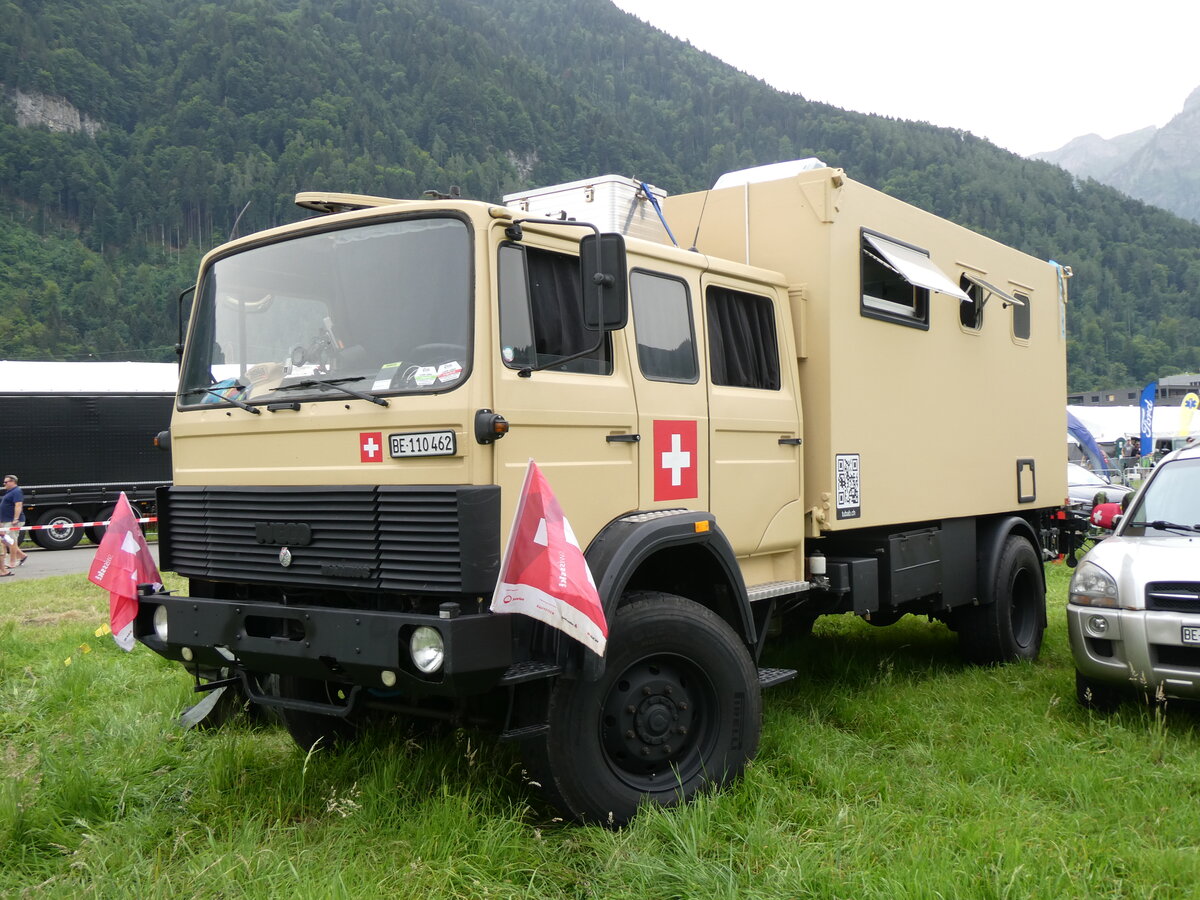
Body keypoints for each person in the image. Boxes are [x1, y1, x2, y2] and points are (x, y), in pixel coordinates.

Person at [1, 475, 28, 571]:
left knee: (11, 541)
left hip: (13, 521)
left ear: (13, 482)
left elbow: (18, 505)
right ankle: (21, 555)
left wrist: (15, 519)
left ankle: (12, 562)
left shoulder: (17, 491)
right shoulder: (10, 492)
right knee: (4, 541)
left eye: (6, 482)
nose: (4, 484)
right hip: (6, 521)